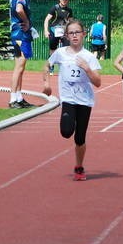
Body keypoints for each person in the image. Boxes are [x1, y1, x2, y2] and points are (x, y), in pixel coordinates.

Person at [42, 19, 102, 181]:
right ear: (67, 36)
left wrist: (87, 68)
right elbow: (47, 65)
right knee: (66, 132)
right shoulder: (60, 53)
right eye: (71, 33)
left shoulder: (89, 57)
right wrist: (47, 84)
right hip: (68, 99)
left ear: (83, 34)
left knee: (79, 138)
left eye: (77, 32)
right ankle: (70, 120)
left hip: (84, 101)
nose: (75, 35)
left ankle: (79, 166)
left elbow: (98, 82)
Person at [9, 0, 37, 109]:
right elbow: (19, 9)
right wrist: (26, 21)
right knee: (19, 66)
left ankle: (19, 97)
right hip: (20, 34)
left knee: (21, 66)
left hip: (19, 34)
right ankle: (13, 98)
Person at [43, 0, 73, 74]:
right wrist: (46, 31)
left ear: (68, 0)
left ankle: (64, 68)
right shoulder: (55, 8)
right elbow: (47, 19)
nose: (64, 0)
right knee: (53, 49)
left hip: (64, 32)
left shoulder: (69, 10)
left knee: (66, 49)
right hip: (54, 30)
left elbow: (70, 21)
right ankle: (51, 66)